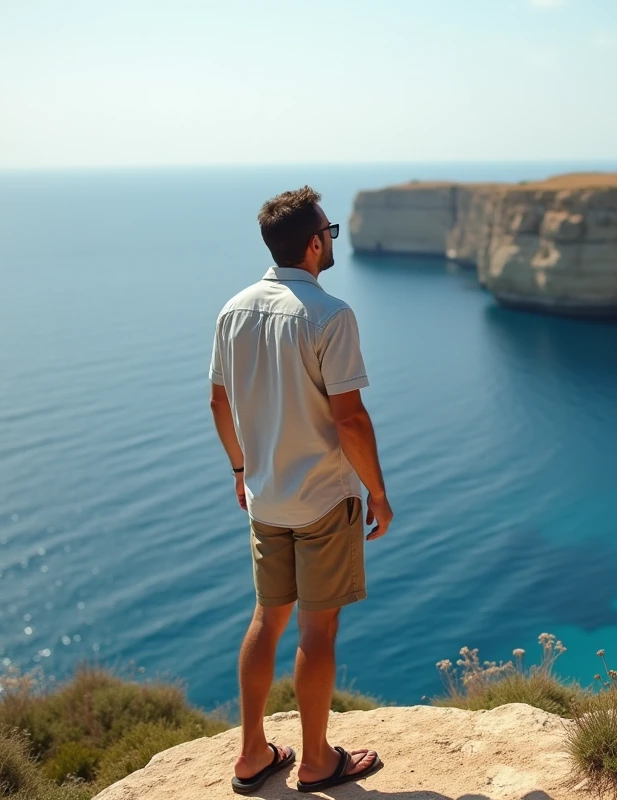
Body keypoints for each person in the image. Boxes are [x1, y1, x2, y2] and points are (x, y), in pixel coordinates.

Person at [208, 186, 392, 795]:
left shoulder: (232, 310)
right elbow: (349, 419)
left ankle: (252, 754)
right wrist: (378, 491)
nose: (332, 241)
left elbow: (218, 400)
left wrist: (241, 470)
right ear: (315, 243)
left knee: (267, 618)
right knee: (318, 631)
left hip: (264, 498)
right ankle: (316, 760)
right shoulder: (330, 315)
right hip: (322, 499)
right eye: (330, 232)